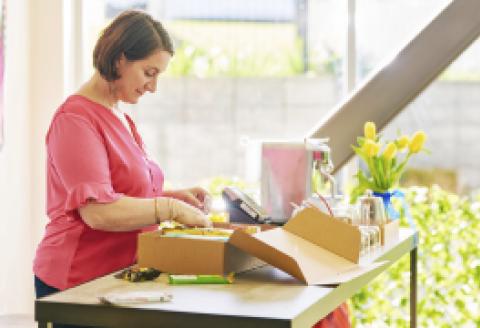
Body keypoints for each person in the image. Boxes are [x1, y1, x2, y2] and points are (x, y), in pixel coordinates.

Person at [33, 10, 211, 328]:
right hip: (77, 285)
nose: (153, 87)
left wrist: (175, 197)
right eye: (148, 72)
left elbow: (122, 193)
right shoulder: (75, 120)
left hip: (117, 283)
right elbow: (99, 211)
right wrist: (168, 208)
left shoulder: (120, 117)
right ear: (119, 60)